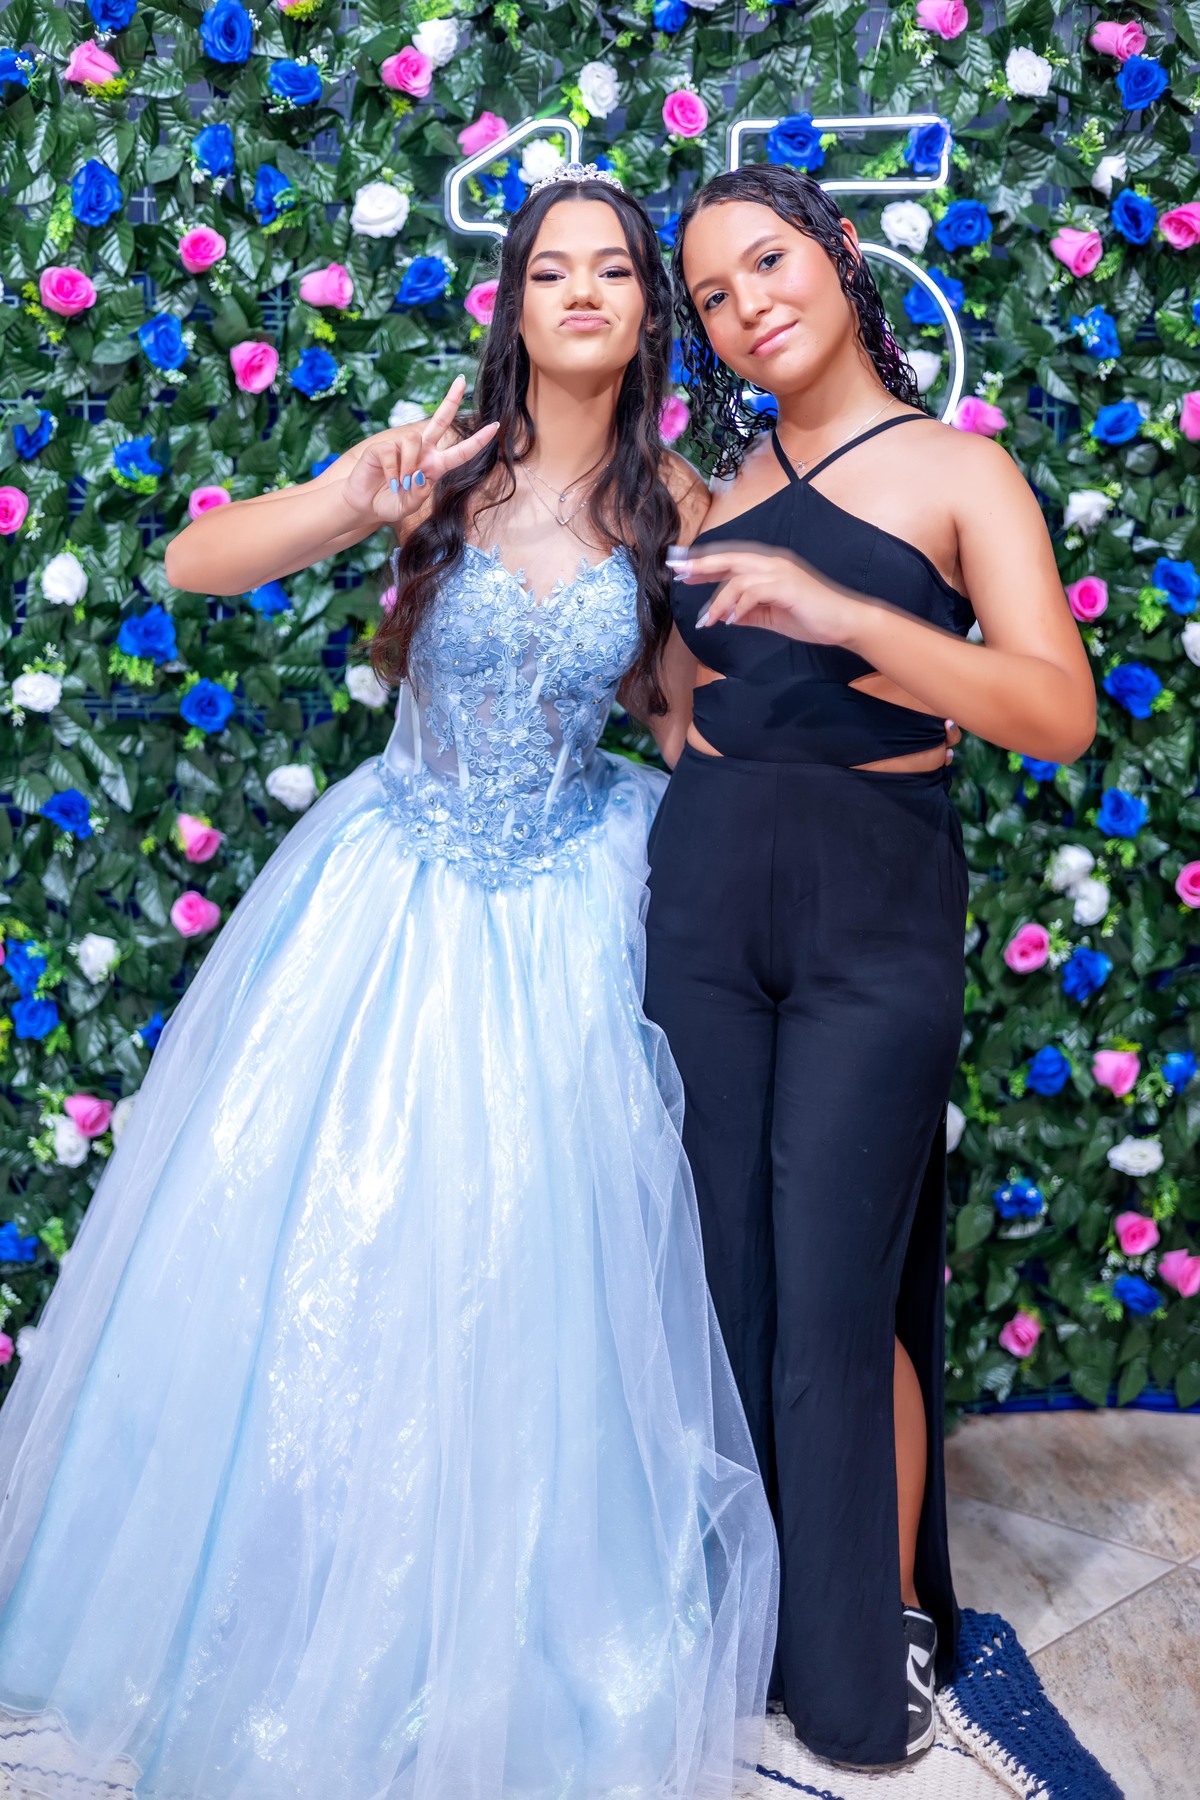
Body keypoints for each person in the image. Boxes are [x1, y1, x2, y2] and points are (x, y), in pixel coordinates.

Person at [0, 167, 777, 1800]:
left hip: (576, 904)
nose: (582, 291)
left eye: (614, 269)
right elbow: (193, 566)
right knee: (342, 1247)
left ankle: (512, 1619)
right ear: (513, 304)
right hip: (392, 896)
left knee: (537, 1264)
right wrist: (356, 496)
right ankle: (302, 1606)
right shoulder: (440, 466)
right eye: (550, 269)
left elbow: (688, 730)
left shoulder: (682, 505)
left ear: (649, 312)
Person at [639, 166, 1095, 1772]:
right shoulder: (705, 491)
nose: (747, 304)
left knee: (839, 1287)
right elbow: (681, 699)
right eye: (712, 295)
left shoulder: (962, 472)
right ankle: (745, 1620)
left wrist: (848, 615)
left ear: (838, 256)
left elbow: (1054, 712)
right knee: (728, 1284)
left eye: (769, 261)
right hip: (708, 898)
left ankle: (875, 1628)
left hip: (877, 897)